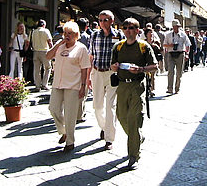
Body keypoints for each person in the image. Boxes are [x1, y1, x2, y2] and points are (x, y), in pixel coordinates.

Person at [110, 18, 158, 169]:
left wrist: (141, 69)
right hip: (122, 86)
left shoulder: (144, 47)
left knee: (134, 119)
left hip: (137, 86)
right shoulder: (118, 47)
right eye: (125, 28)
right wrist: (115, 67)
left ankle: (133, 156)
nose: (127, 30)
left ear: (138, 30)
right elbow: (112, 66)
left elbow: (155, 66)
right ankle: (138, 138)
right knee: (122, 116)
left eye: (131, 28)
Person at [45, 21, 89, 152]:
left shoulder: (81, 49)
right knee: (53, 109)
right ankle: (63, 131)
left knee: (70, 114)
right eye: (65, 33)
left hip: (73, 85)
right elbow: (48, 56)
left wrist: (83, 86)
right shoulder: (60, 47)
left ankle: (70, 141)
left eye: (70, 33)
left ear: (76, 35)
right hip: (58, 83)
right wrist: (58, 43)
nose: (67, 36)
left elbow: (85, 69)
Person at [89, 10, 124, 150]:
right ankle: (105, 127)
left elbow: (122, 55)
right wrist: (88, 76)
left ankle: (109, 138)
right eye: (101, 20)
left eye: (106, 20)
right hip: (97, 72)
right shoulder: (94, 35)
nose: (103, 22)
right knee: (97, 106)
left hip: (111, 74)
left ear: (112, 21)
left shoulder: (119, 35)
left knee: (110, 106)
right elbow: (91, 55)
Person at [163, 19, 190, 94]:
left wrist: (187, 54)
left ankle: (177, 88)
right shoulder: (168, 35)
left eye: (177, 27)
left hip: (180, 54)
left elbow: (188, 44)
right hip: (171, 54)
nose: (176, 28)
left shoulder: (183, 35)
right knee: (170, 72)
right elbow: (164, 45)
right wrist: (170, 45)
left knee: (179, 73)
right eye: (174, 27)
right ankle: (170, 88)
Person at [31, 19, 53, 91]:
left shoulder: (33, 32)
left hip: (35, 51)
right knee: (48, 68)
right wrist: (52, 51)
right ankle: (44, 84)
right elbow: (49, 42)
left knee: (37, 69)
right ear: (44, 25)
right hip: (44, 51)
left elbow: (29, 41)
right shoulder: (46, 31)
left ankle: (37, 85)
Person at [145, 28, 162, 96]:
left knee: (152, 76)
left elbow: (160, 51)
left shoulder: (156, 42)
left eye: (152, 33)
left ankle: (151, 90)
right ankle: (146, 89)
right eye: (149, 33)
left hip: (153, 62)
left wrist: (156, 46)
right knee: (146, 76)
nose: (151, 34)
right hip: (145, 62)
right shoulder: (143, 42)